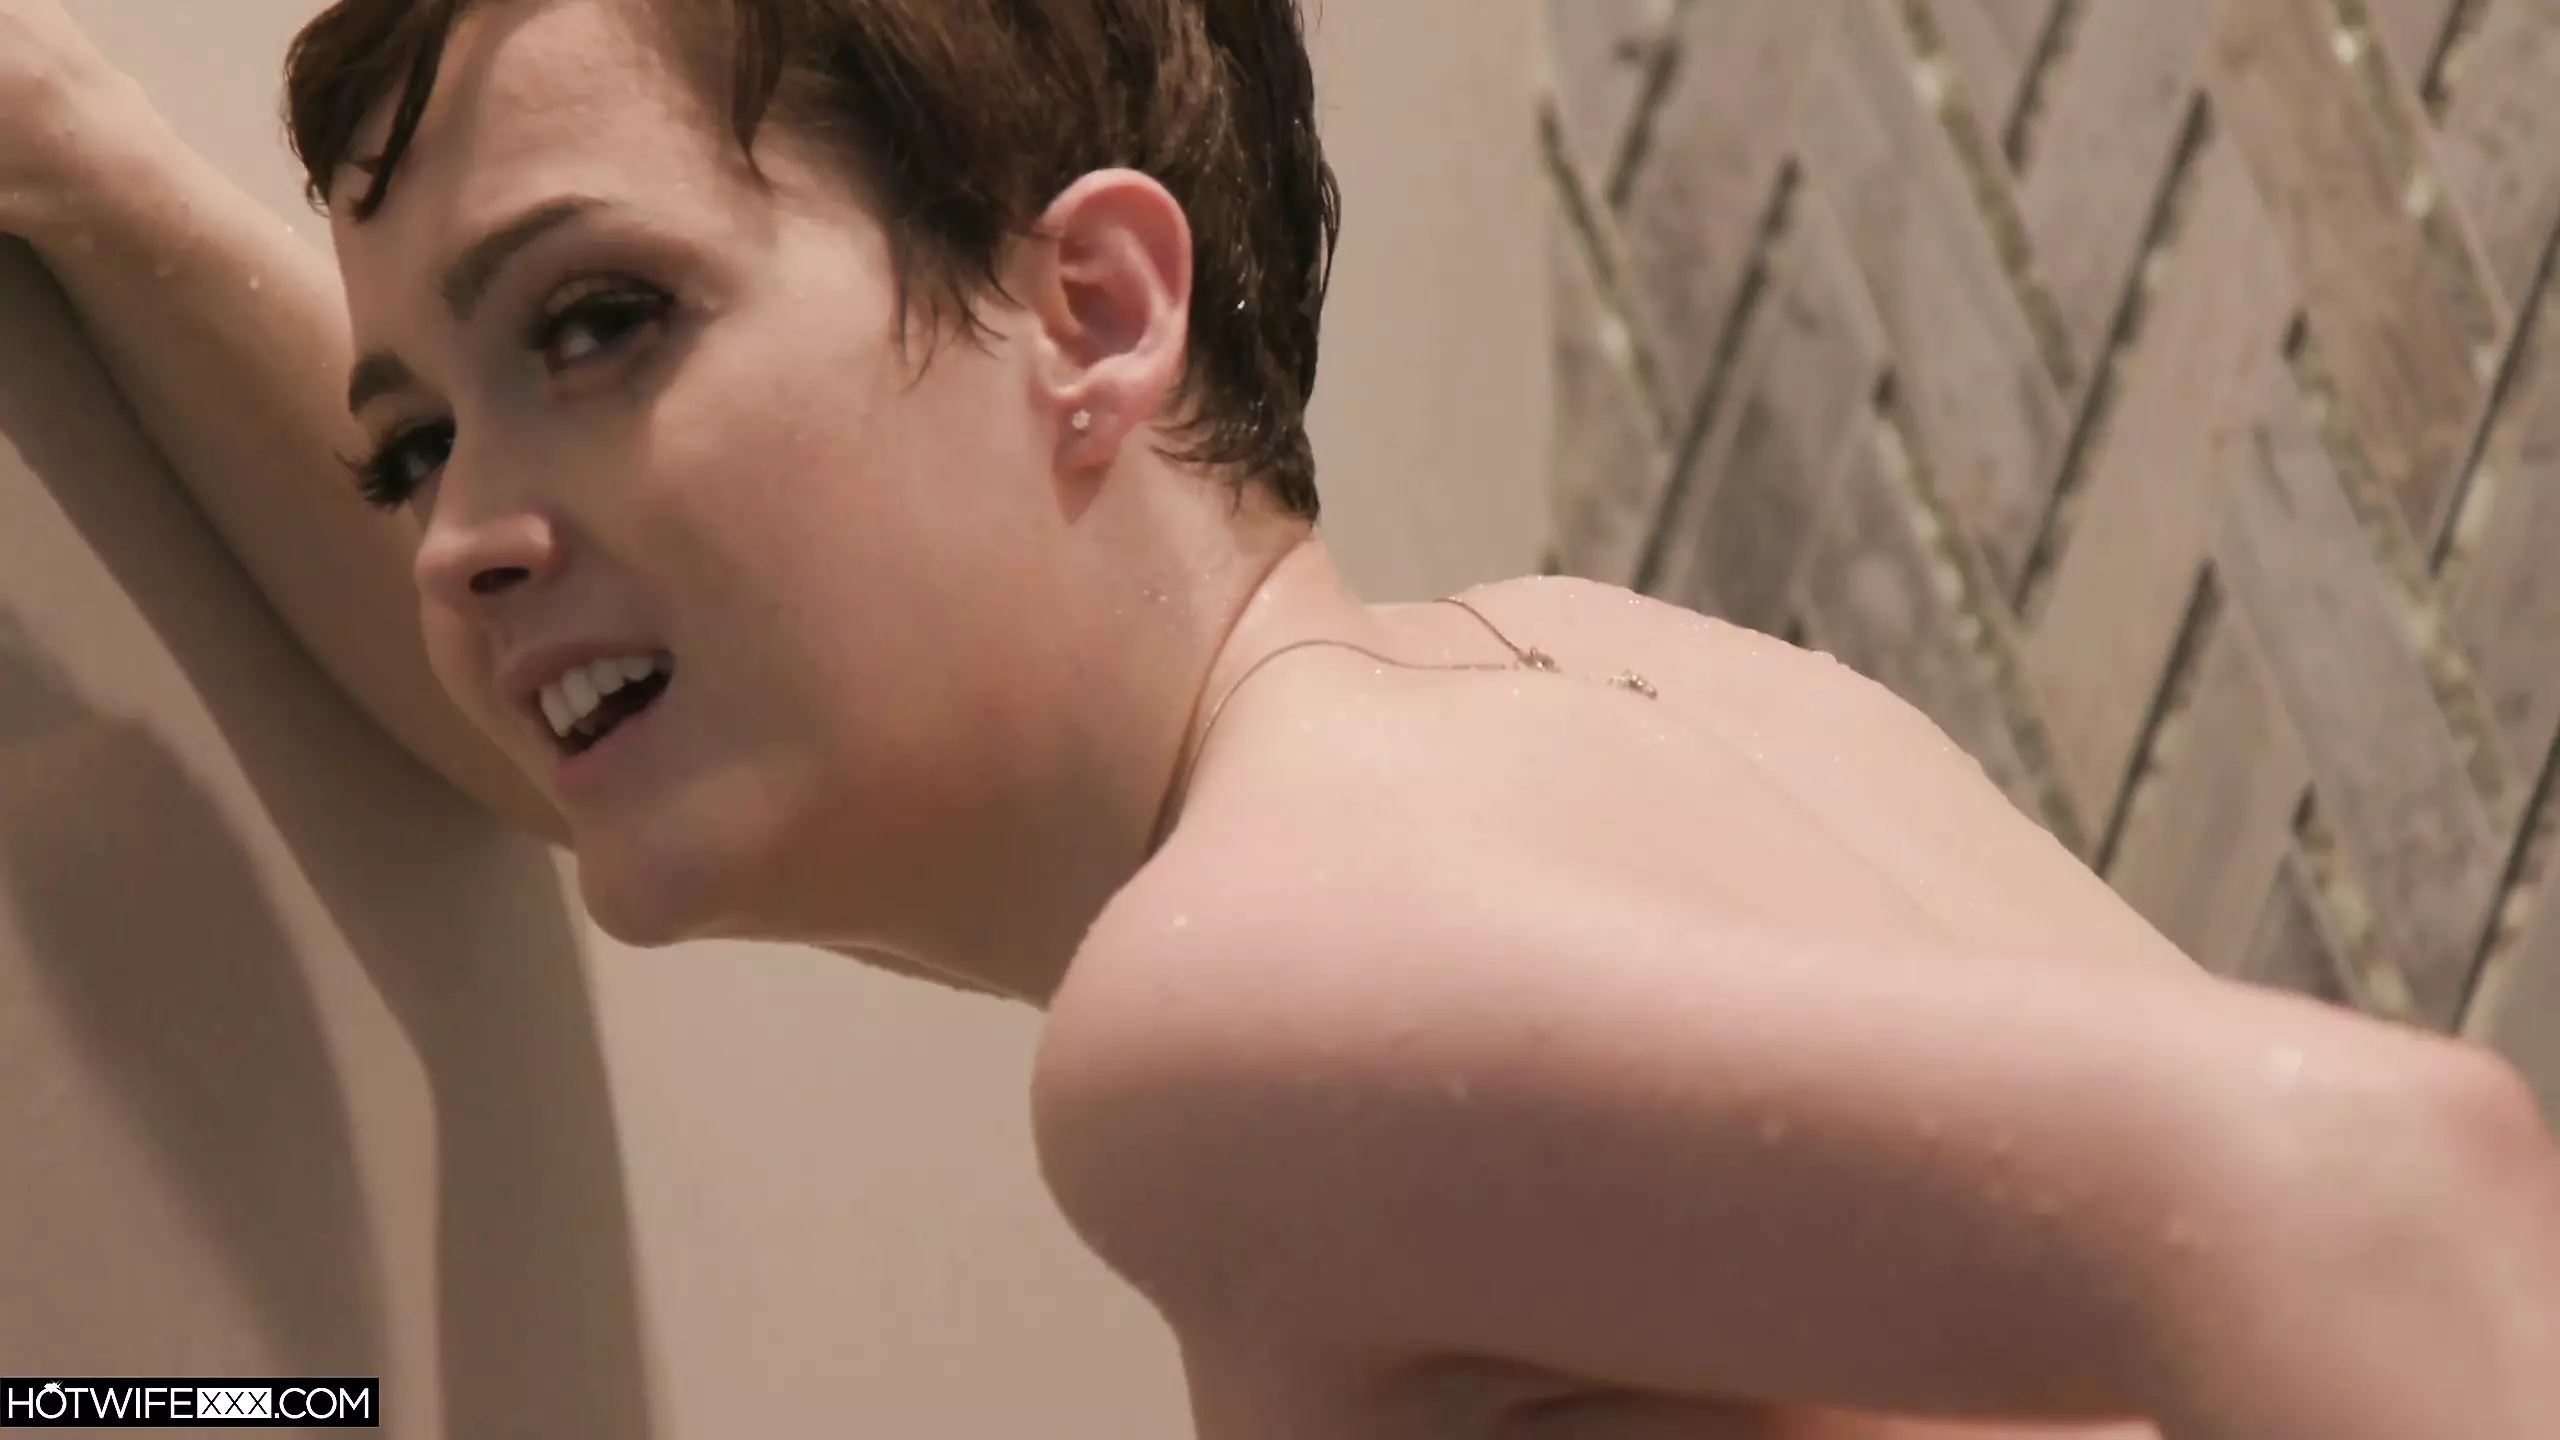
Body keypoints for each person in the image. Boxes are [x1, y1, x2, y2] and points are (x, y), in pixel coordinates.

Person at [2, 0, 2554, 1434]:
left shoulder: (1221, 1006)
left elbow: (2372, 1200)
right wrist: (81, 160)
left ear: (1091, 314)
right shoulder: (1622, 681)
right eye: (410, 446)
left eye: (597, 322)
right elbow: (561, 702)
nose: (457, 536)